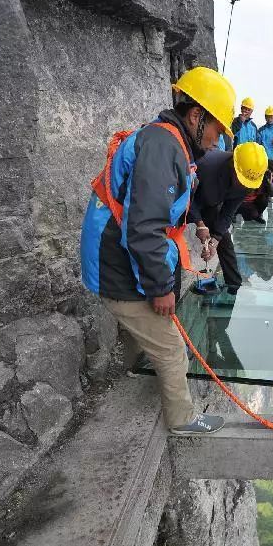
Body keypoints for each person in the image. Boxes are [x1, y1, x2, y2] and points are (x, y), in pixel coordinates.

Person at [80, 66, 236, 436]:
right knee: (170, 348)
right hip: (114, 263)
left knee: (148, 328)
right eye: (217, 130)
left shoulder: (169, 141)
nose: (217, 141)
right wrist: (159, 289)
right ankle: (182, 420)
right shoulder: (165, 148)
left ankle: (135, 368)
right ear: (197, 116)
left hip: (111, 256)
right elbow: (144, 230)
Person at [190, 142, 268, 298]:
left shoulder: (248, 178)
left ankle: (233, 285)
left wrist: (215, 240)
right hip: (189, 198)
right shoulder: (205, 165)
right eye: (240, 179)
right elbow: (184, 196)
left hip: (212, 202)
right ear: (233, 163)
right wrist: (199, 223)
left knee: (223, 237)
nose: (242, 185)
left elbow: (228, 211)